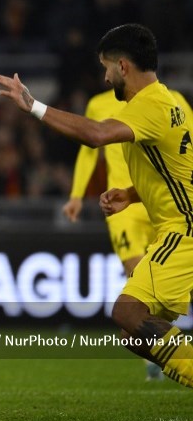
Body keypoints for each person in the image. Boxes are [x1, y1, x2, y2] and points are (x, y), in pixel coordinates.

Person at [0, 23, 193, 390]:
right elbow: (179, 167)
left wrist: (32, 105)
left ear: (122, 66)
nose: (104, 77)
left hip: (183, 232)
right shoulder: (169, 102)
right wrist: (133, 194)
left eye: (105, 67)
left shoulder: (149, 104)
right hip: (176, 226)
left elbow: (96, 136)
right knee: (133, 332)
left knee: (127, 311)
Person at [61, 87, 193, 381]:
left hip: (168, 205)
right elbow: (88, 149)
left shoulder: (172, 103)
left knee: (136, 308)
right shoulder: (99, 103)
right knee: (135, 295)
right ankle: (164, 356)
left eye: (108, 66)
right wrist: (76, 194)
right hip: (125, 208)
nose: (107, 75)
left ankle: (174, 353)